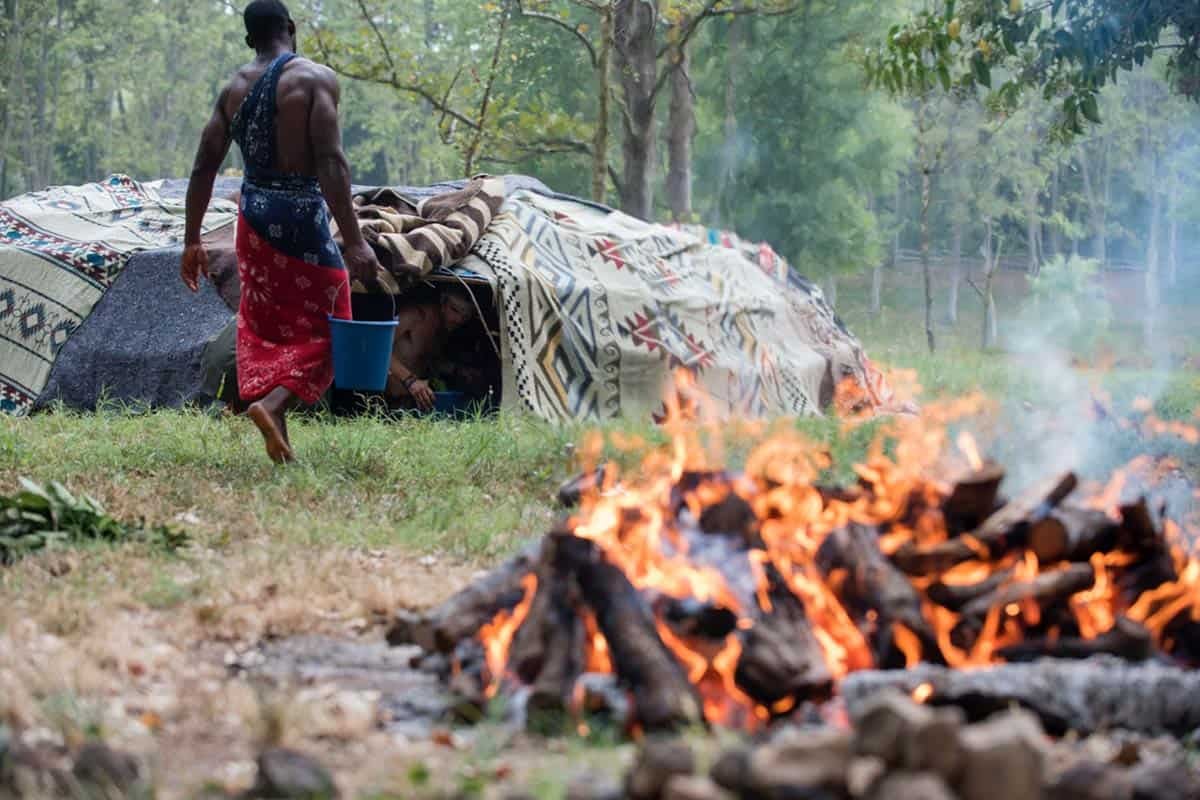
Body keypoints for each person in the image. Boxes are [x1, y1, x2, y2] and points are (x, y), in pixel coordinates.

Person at [180, 0, 381, 463]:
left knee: (268, 327)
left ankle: (280, 439)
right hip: (301, 218)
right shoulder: (314, 79)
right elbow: (330, 162)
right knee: (337, 324)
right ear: (291, 28)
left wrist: (192, 239)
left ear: (250, 39)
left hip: (253, 222)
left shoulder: (233, 90)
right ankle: (271, 406)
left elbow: (202, 166)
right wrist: (353, 240)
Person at [387, 286, 477, 410]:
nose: (458, 320)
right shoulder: (414, 315)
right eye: (455, 310)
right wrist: (410, 381)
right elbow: (377, 351)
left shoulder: (443, 329)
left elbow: (426, 361)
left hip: (411, 404)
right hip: (387, 398)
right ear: (442, 303)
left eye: (465, 316)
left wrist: (456, 370)